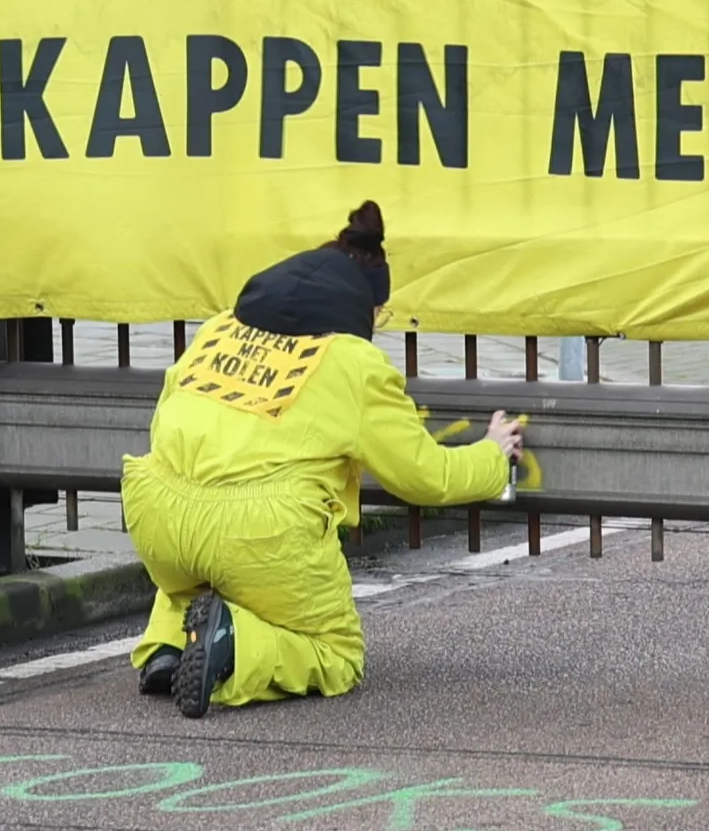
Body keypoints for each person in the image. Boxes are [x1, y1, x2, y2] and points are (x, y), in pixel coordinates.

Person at [120, 201, 525, 719]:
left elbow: (164, 422)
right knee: (336, 655)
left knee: (197, 568)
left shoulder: (219, 328)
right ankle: (233, 650)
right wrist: (491, 457)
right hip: (263, 532)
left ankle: (165, 648)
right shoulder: (352, 363)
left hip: (157, 511)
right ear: (367, 309)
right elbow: (423, 475)